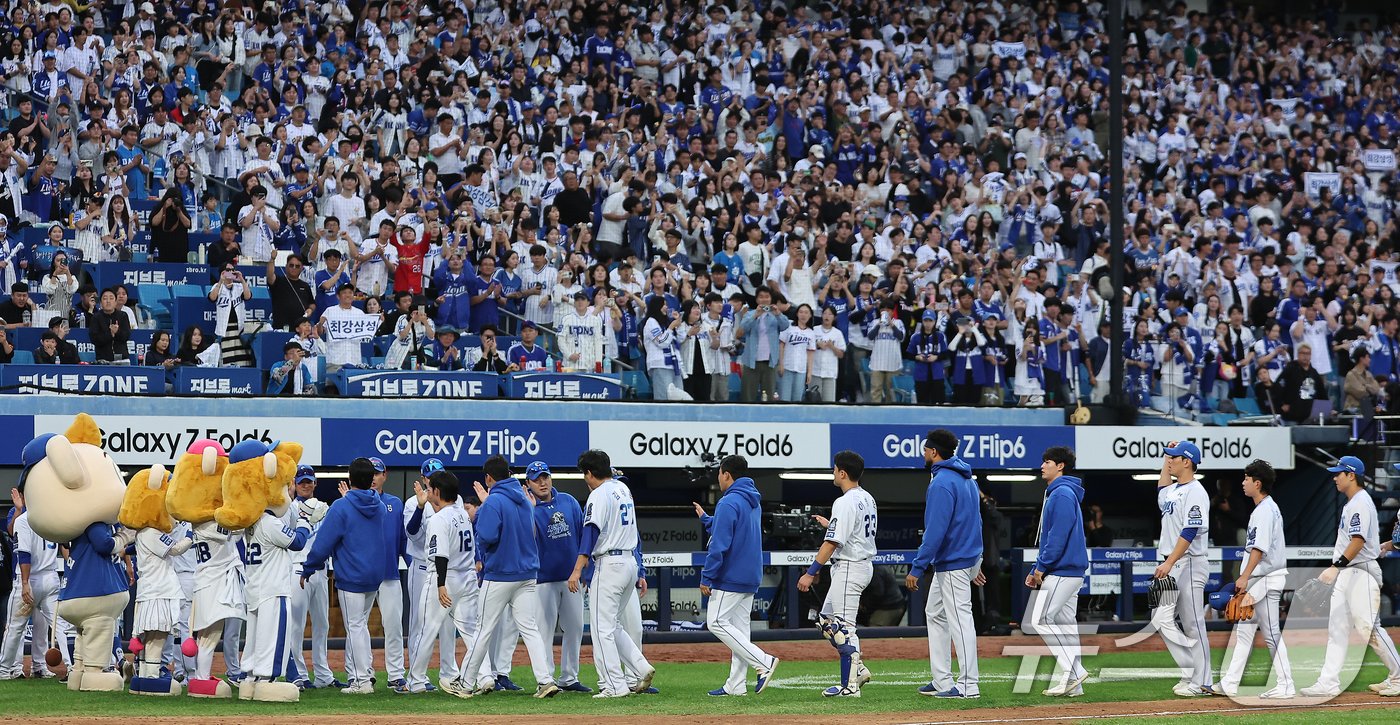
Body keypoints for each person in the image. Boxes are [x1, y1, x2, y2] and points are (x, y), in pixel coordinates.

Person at [449, 456, 560, 699]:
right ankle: (545, 680)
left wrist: (482, 525)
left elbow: (487, 536)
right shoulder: (524, 498)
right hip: (528, 574)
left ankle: (466, 683)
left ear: (489, 478)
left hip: (500, 574)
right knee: (529, 629)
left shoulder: (493, 502)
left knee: (482, 629)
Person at [1299, 456, 1400, 698]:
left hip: (1360, 572)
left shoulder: (1361, 503)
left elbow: (1358, 541)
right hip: (1350, 571)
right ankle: (1328, 682)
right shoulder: (1353, 502)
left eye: (1339, 473)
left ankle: (1398, 676)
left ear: (1351, 475)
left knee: (1369, 628)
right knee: (1337, 627)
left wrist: (1336, 566)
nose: (1335, 477)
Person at [568, 449, 655, 698]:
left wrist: (577, 569)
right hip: (629, 563)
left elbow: (591, 532)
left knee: (601, 628)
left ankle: (614, 685)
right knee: (613, 624)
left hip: (610, 564)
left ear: (589, 472)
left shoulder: (599, 494)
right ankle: (640, 667)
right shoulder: (623, 489)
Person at [300, 458, 388, 695]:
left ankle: (362, 681)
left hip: (352, 575)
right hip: (374, 574)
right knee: (361, 625)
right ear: (371, 479)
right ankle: (365, 673)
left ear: (350, 479)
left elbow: (323, 544)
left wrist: (309, 567)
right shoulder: (378, 504)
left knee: (356, 626)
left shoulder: (342, 506)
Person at [693, 455, 779, 697]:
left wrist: (707, 577)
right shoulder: (752, 499)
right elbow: (732, 527)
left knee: (716, 622)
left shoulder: (729, 502)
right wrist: (706, 520)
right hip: (750, 576)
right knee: (739, 632)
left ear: (727, 474)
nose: (718, 478)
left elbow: (719, 545)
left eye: (719, 474)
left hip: (731, 575)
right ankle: (736, 685)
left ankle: (763, 661)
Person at [906, 429, 983, 699]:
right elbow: (977, 521)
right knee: (935, 614)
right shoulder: (968, 479)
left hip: (952, 562)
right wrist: (978, 558)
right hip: (965, 558)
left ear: (935, 452)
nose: (923, 453)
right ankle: (942, 681)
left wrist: (917, 567)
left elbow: (935, 531)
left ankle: (968, 685)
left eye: (926, 449)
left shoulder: (941, 482)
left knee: (960, 621)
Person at [796, 450, 877, 697]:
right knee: (827, 622)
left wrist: (810, 573)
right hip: (858, 564)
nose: (833, 473)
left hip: (850, 567)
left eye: (834, 469)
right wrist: (829, 524)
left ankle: (850, 686)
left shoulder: (844, 501)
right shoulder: (867, 497)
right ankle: (859, 670)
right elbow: (849, 532)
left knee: (843, 629)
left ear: (843, 473)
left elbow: (831, 544)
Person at [239, 453, 317, 699]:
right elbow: (297, 542)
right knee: (273, 637)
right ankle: (268, 681)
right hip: (272, 589)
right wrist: (305, 522)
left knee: (254, 639)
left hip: (255, 588)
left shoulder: (251, 521)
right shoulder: (268, 523)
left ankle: (250, 681)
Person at [1219, 460, 1294, 699]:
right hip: (1260, 578)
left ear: (1257, 483)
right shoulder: (1262, 509)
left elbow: (1258, 549)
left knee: (1270, 632)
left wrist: (1243, 576)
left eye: (1246, 479)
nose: (1243, 483)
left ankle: (1286, 685)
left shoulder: (1264, 510)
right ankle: (1229, 684)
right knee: (1245, 631)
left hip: (1266, 578)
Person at [1151, 440, 1217, 696]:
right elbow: (1161, 488)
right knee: (1160, 619)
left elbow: (1190, 530)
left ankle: (1202, 681)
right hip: (1172, 562)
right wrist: (1167, 454)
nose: (1169, 461)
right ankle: (1190, 671)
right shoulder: (1173, 491)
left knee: (1193, 624)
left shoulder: (1196, 491)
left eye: (1174, 458)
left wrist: (1169, 562)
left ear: (1187, 461)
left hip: (1188, 562)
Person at [1024, 446, 1089, 698]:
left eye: (1047, 461)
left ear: (1060, 466)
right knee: (1066, 625)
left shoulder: (1061, 493)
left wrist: (1041, 567)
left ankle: (1074, 669)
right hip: (1068, 569)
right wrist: (1037, 567)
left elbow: (1057, 536)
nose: (1042, 466)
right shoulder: (1062, 492)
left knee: (1039, 620)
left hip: (1063, 569)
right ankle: (1075, 684)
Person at [407, 470, 477, 695]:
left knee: (427, 629)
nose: (428, 492)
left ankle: (416, 680)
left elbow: (440, 556)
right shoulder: (463, 514)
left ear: (437, 491)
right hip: (467, 577)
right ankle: (482, 676)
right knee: (470, 631)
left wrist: (440, 584)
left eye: (430, 489)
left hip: (446, 577)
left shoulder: (439, 518)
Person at [523, 461, 591, 693]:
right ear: (528, 484)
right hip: (542, 579)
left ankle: (569, 677)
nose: (542, 482)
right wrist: (529, 509)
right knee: (544, 631)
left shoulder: (569, 501)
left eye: (545, 477)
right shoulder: (527, 508)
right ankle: (547, 679)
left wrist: (584, 571)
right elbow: (525, 540)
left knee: (575, 628)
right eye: (536, 479)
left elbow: (583, 536)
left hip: (571, 577)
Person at [285, 466, 338, 689]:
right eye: (301, 481)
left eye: (309, 481)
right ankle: (299, 674)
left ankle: (323, 675)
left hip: (321, 570)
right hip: (297, 568)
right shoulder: (288, 509)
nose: (306, 485)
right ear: (295, 485)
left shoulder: (325, 508)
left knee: (322, 625)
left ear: (315, 484)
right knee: (296, 625)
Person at [0, 503, 61, 679]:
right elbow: (11, 532)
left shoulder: (47, 513)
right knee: (18, 627)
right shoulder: (21, 513)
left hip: (37, 577)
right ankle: (14, 667)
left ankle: (38, 666)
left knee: (38, 627)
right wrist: (18, 509)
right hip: (32, 577)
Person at [736, 288, 790, 401]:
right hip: (751, 361)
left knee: (768, 396)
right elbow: (742, 330)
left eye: (767, 296)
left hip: (770, 362)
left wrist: (778, 314)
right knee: (748, 396)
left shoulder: (775, 315)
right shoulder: (750, 314)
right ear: (756, 299)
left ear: (771, 299)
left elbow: (785, 325)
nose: (764, 299)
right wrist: (755, 315)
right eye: (761, 296)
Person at [90, 287, 131, 363]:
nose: (108, 301)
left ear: (116, 302)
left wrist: (117, 331)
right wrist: (110, 334)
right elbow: (94, 339)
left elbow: (126, 336)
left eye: (111, 298)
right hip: (103, 360)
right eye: (105, 299)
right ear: (101, 303)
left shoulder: (123, 315)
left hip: (122, 359)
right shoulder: (96, 317)